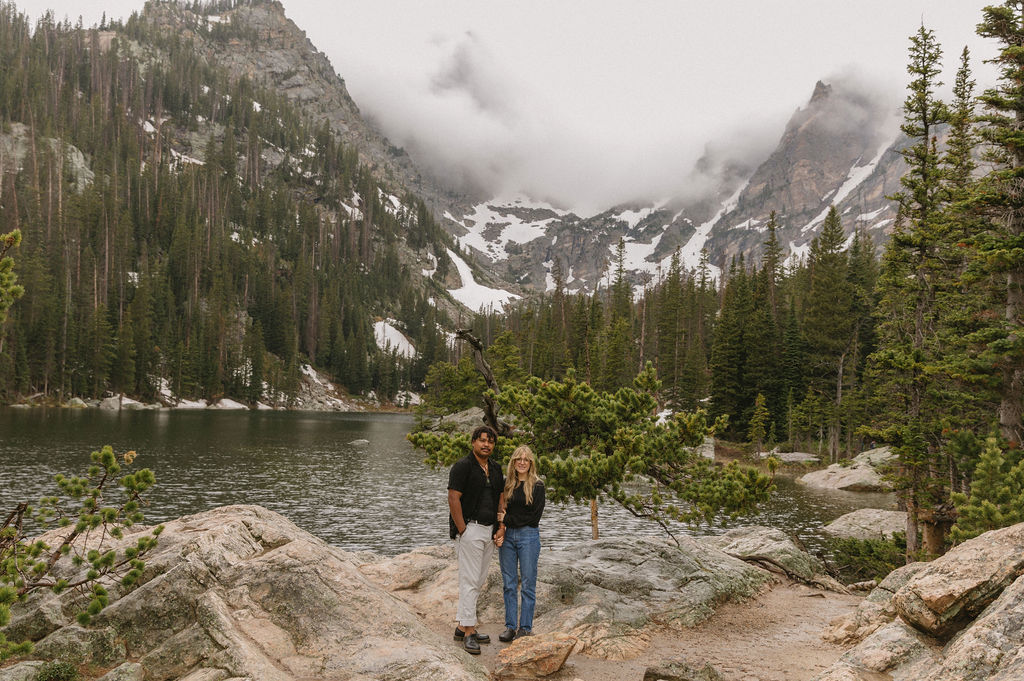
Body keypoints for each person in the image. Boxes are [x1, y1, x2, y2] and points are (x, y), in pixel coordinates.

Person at [448, 425, 506, 655]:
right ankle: (469, 632)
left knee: (479, 580)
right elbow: (453, 498)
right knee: (470, 580)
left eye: (490, 442)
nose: (486, 445)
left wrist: (501, 526)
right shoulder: (462, 466)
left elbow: (501, 497)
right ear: (473, 442)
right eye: (482, 440)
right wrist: (463, 530)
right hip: (471, 529)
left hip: (490, 530)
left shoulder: (494, 467)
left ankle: (462, 626)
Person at [495, 445, 545, 642]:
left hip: (528, 537)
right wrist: (502, 525)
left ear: (531, 463)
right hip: (508, 538)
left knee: (527, 584)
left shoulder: (538, 485)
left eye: (526, 459)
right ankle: (510, 627)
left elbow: (533, 518)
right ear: (513, 462)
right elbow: (501, 510)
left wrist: (506, 519)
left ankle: (525, 628)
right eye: (518, 459)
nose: (522, 462)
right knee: (508, 583)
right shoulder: (508, 484)